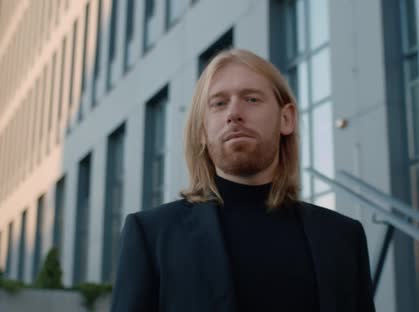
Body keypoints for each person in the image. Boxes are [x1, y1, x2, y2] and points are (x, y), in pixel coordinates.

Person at [110, 48, 375, 312]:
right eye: (218, 103)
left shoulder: (343, 238)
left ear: (286, 119)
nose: (233, 113)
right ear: (202, 129)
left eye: (251, 99)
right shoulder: (151, 236)